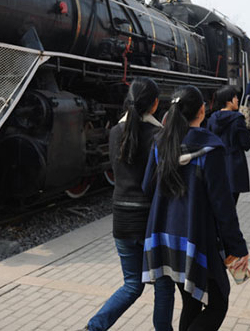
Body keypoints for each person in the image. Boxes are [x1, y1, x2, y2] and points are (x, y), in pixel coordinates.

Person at [142, 85, 249, 331]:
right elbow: (222, 206)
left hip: (165, 236)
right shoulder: (210, 149)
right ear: (202, 110)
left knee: (191, 301)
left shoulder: (161, 143)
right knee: (219, 302)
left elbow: (147, 188)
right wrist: (237, 247)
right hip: (197, 237)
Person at [84, 78, 174, 331]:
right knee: (164, 285)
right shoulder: (160, 135)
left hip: (121, 218)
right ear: (155, 105)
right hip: (151, 221)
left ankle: (95, 326)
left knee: (133, 284)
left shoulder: (114, 132)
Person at [207, 85, 250, 204]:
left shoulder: (212, 119)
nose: (237, 100)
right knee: (232, 203)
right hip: (234, 164)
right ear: (229, 101)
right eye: (235, 97)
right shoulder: (237, 119)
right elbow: (246, 144)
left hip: (216, 163)